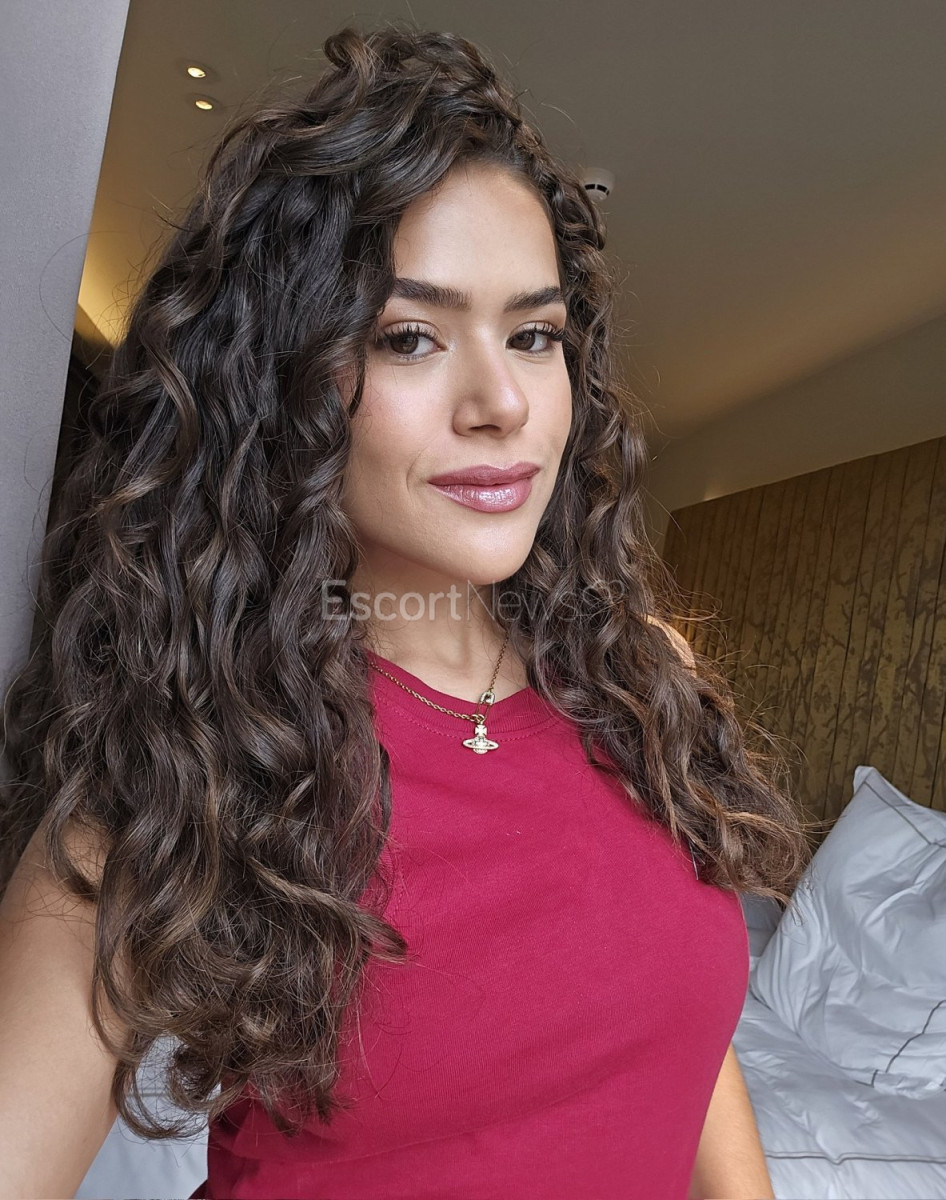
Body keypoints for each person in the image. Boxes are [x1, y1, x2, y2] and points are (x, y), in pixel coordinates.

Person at [0, 24, 810, 1200]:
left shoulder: (642, 680)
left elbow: (680, 1037)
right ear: (281, 383)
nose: (501, 402)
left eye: (532, 335)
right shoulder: (179, 772)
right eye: (410, 337)